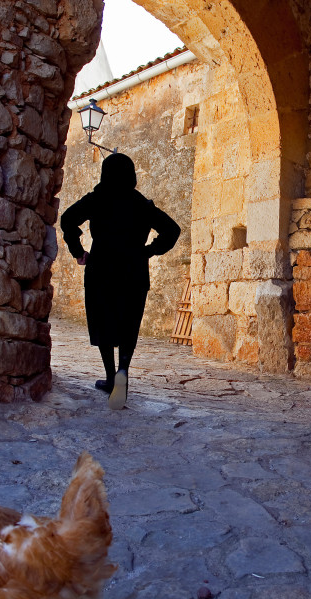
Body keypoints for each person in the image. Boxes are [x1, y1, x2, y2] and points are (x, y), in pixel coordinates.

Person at [60, 153, 180, 409]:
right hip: (133, 270)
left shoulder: (97, 199)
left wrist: (78, 251)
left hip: (101, 268)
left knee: (104, 321)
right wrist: (149, 251)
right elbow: (172, 230)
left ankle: (109, 376)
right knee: (129, 324)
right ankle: (123, 372)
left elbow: (67, 219)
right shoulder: (141, 204)